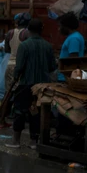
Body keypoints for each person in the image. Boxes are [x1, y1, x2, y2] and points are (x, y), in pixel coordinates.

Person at [9, 18, 57, 148]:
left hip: (26, 84)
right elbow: (53, 67)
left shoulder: (24, 46)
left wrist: (14, 78)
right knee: (36, 112)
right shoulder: (47, 46)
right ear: (41, 31)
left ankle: (15, 141)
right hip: (42, 86)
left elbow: (19, 67)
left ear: (28, 30)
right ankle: (33, 142)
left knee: (19, 110)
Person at [3, 12, 31, 93]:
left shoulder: (10, 33)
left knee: (8, 92)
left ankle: (6, 105)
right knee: (20, 93)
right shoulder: (27, 33)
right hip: (23, 67)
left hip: (10, 65)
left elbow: (7, 50)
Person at [59, 12, 85, 81]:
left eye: (61, 26)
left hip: (67, 78)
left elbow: (73, 59)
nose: (59, 29)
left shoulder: (73, 39)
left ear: (67, 26)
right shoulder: (74, 36)